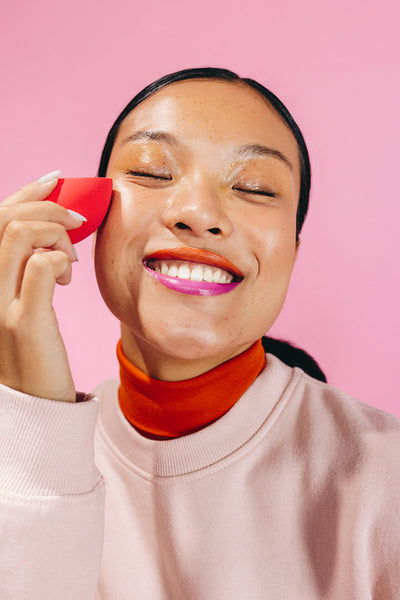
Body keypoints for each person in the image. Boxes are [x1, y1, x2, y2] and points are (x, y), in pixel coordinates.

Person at [0, 67, 399, 599]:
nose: (199, 214)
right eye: (152, 173)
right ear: (85, 215)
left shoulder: (385, 480)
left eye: (255, 187)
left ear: (293, 253)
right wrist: (33, 424)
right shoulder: (14, 462)